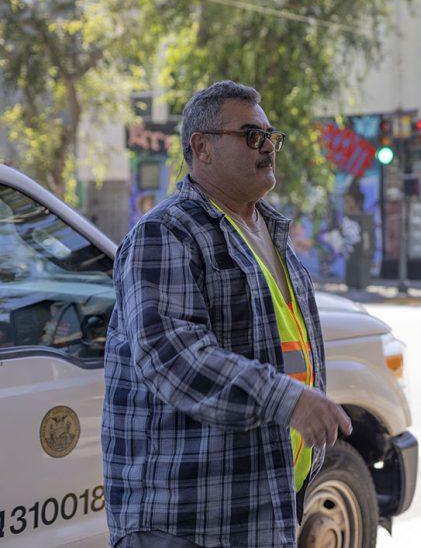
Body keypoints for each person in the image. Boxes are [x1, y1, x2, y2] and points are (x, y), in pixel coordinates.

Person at [102, 81, 352, 548]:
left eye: (271, 137)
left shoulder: (270, 232)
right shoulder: (165, 233)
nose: (267, 148)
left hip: (260, 508)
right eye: (251, 135)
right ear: (202, 148)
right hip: (185, 520)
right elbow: (172, 355)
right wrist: (290, 400)